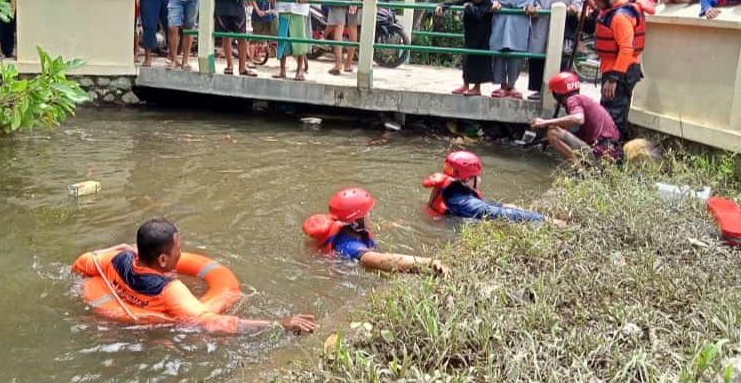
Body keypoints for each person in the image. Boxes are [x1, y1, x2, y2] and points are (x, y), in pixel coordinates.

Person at [73, 218, 318, 334]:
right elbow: (212, 323)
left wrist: (120, 247)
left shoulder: (116, 259)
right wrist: (280, 325)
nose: (181, 253)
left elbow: (80, 264)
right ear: (163, 260)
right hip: (156, 342)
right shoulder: (170, 290)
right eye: (178, 250)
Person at [303, 188, 447, 274]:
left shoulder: (347, 229)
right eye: (367, 214)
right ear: (355, 221)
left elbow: (369, 231)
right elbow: (382, 260)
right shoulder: (351, 246)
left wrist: (393, 225)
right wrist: (427, 262)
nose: (370, 216)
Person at [583, 0, 645, 134]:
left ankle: (610, 153)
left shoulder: (620, 17)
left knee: (613, 116)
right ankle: (607, 150)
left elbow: (626, 48)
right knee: (608, 112)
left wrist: (613, 79)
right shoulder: (613, 11)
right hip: (614, 69)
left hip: (619, 72)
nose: (595, 3)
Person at [526, 0, 585, 100]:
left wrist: (575, 5)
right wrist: (534, 6)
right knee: (538, 53)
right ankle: (538, 89)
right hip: (542, 19)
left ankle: (561, 91)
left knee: (562, 54)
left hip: (565, 20)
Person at [423, 152, 551, 222]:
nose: (479, 179)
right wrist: (544, 220)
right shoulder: (462, 202)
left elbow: (490, 208)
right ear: (467, 180)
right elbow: (501, 215)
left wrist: (503, 205)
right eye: (476, 176)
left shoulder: (453, 190)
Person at [530, 72, 622, 163]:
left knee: (553, 133)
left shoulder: (572, 99)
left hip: (601, 151)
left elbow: (578, 119)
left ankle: (581, 169)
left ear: (557, 94)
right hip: (611, 152)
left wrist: (544, 122)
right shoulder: (582, 100)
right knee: (558, 131)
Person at [488, 0, 538, 99]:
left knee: (517, 52)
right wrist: (495, 2)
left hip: (521, 17)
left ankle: (512, 85)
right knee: (501, 50)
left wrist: (532, 4)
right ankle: (502, 85)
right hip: (503, 15)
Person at [435, 0, 493, 96]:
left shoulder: (488, 3)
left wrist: (468, 7)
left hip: (482, 38)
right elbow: (456, 2)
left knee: (479, 62)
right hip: (470, 36)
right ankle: (465, 85)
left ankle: (477, 88)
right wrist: (442, 5)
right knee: (466, 61)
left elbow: (478, 15)